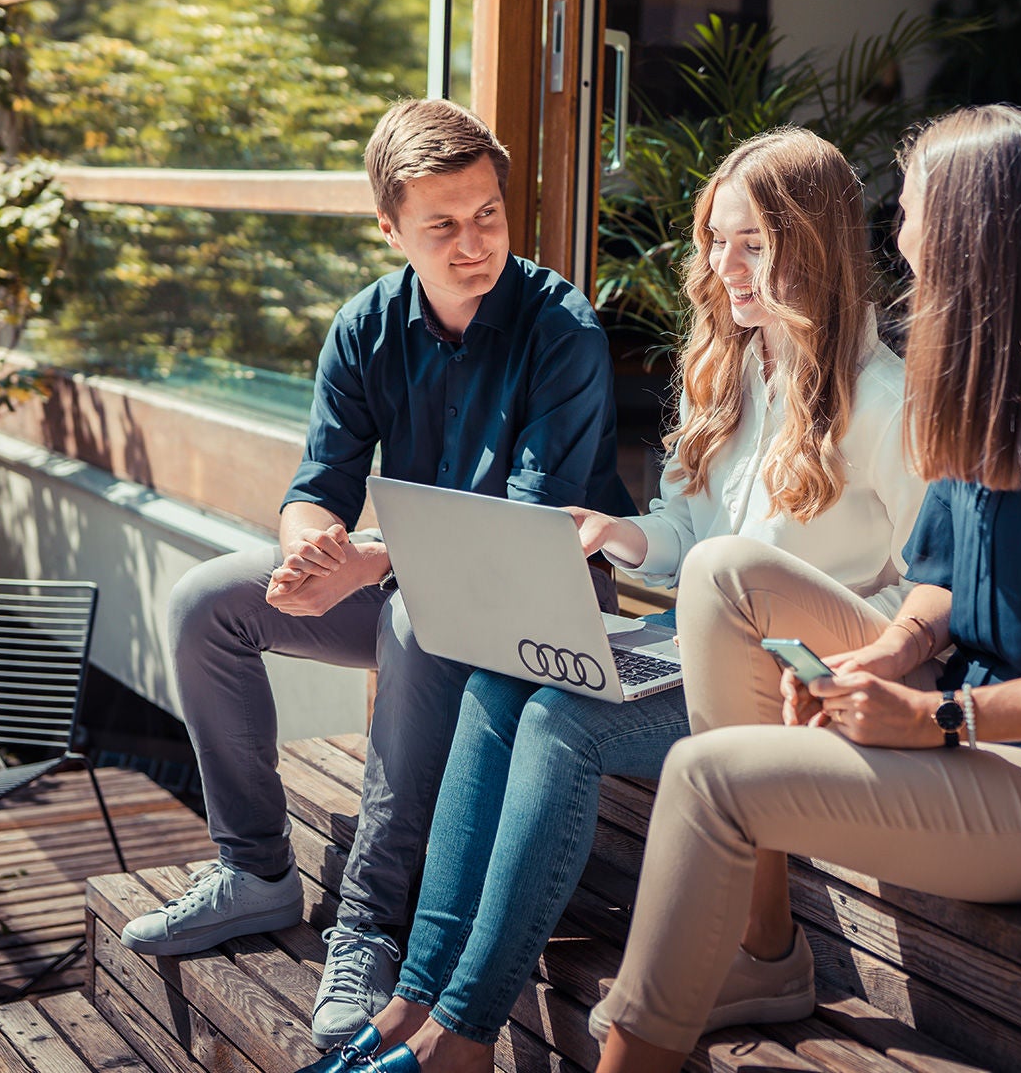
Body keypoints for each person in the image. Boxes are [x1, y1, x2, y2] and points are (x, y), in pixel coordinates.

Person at [588, 104, 1021, 1073]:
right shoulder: (982, 384)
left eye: (912, 213)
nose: (899, 238)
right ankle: (756, 952)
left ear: (969, 229)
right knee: (722, 571)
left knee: (706, 779)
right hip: (980, 744)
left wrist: (939, 721)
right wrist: (886, 657)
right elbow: (937, 586)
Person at [302, 127, 930, 1073]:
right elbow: (683, 533)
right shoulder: (733, 372)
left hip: (790, 686)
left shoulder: (888, 402)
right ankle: (413, 998)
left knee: (559, 721)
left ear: (819, 241)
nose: (724, 267)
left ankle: (462, 1033)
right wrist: (610, 532)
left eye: (754, 242)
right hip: (684, 647)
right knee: (495, 687)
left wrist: (844, 660)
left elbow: (929, 585)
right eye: (717, 240)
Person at [117, 97, 636, 1049]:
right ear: (390, 228)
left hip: (541, 602)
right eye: (442, 224)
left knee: (411, 619)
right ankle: (253, 867)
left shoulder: (562, 326)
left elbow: (529, 526)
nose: (472, 241)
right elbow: (317, 483)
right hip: (405, 584)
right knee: (206, 604)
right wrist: (312, 547)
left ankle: (368, 925)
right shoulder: (366, 326)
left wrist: (369, 564)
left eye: (488, 214)